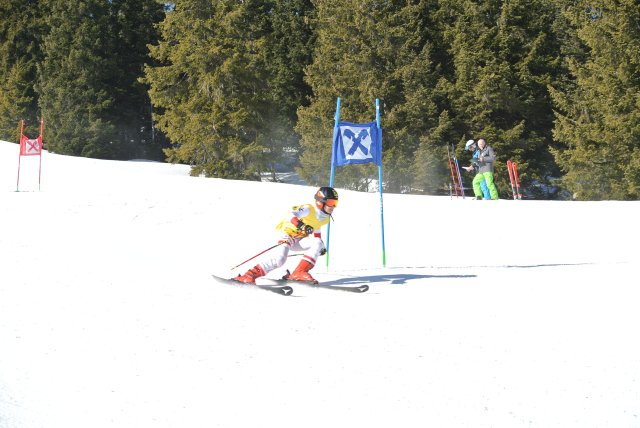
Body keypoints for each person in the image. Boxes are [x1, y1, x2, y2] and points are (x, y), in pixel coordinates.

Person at [234, 186, 338, 284]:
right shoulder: (308, 209)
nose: (333, 206)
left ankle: (298, 273)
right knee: (280, 260)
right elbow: (290, 215)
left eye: (335, 203)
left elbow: (317, 229)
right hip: (287, 235)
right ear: (320, 202)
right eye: (331, 202)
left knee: (318, 242)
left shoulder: (325, 218)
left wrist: (320, 248)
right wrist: (301, 225)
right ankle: (249, 275)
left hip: (298, 240)